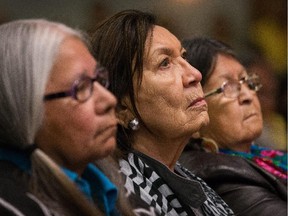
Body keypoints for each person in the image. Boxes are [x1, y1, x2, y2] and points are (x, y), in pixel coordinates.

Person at [91, 9, 234, 216]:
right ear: (121, 108)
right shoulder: (123, 195)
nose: (195, 74)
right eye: (164, 63)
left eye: (184, 57)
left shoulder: (183, 175)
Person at [0, 19, 133, 216]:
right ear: (23, 108)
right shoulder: (12, 206)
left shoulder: (103, 184)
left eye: (99, 80)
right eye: (81, 87)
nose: (109, 100)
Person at [179, 37, 287, 216]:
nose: (248, 95)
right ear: (195, 109)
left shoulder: (262, 156)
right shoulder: (219, 176)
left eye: (246, 81)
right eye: (228, 87)